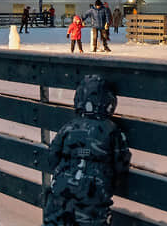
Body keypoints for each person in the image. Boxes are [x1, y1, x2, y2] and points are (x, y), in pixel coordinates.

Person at [43, 75, 130, 226]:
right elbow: (121, 162)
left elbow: (52, 157)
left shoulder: (69, 127)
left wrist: (74, 156)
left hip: (62, 190)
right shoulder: (111, 130)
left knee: (56, 219)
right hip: (94, 193)